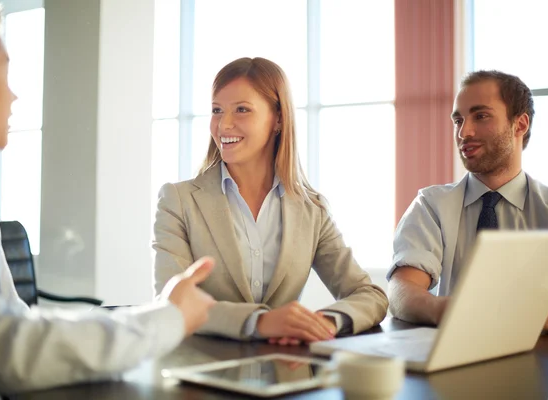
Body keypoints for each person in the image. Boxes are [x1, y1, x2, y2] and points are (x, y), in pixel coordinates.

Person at [0, 1, 216, 396]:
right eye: (4, 72)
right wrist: (165, 318)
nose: (13, 96)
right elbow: (9, 350)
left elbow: (17, 324)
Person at [153, 57, 388, 344]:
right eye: (217, 110)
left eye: (241, 110)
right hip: (200, 372)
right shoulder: (178, 200)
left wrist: (321, 323)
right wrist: (260, 321)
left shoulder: (311, 210)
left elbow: (369, 296)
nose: (224, 124)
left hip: (284, 374)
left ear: (278, 119)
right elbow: (173, 302)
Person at [387, 70, 548, 329]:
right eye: (458, 120)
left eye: (481, 116)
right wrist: (448, 311)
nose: (464, 133)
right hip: (455, 356)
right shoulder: (431, 205)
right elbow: (402, 291)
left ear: (520, 124)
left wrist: (504, 318)